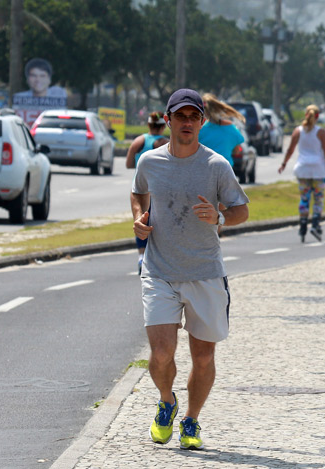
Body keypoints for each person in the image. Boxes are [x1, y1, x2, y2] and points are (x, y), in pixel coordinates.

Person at [131, 89, 250, 450]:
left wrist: (220, 217)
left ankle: (192, 420)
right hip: (159, 270)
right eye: (179, 116)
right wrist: (138, 216)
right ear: (167, 120)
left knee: (203, 357)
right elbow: (138, 193)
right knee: (162, 352)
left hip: (205, 272)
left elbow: (241, 210)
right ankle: (167, 401)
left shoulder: (216, 166)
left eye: (193, 116)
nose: (186, 122)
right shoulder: (149, 161)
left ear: (201, 121)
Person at [278, 104, 325, 242]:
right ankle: (315, 224)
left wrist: (284, 163)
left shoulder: (298, 131)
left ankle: (303, 225)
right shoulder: (320, 132)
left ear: (306, 115)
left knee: (304, 198)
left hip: (303, 169)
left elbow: (290, 149)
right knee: (318, 198)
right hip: (318, 170)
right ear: (317, 116)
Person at [126, 111, 169, 274]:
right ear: (164, 125)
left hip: (138, 188)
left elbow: (129, 163)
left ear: (149, 124)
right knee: (157, 224)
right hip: (157, 190)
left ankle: (141, 256)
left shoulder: (139, 141)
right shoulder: (163, 143)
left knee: (140, 222)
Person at [198, 93, 246, 168]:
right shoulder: (231, 128)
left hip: (205, 172)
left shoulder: (200, 131)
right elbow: (237, 151)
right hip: (225, 171)